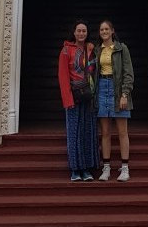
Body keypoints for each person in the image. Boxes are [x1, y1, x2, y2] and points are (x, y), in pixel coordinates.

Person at [57, 19, 99, 181]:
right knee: (74, 133)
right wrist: (67, 99)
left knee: (88, 132)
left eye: (84, 31)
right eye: (79, 30)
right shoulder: (66, 51)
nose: (81, 33)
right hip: (74, 95)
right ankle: (75, 169)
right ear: (74, 32)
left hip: (89, 96)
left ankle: (87, 168)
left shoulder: (91, 49)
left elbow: (95, 73)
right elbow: (63, 76)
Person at [96, 19, 134, 182]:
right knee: (105, 132)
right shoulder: (98, 50)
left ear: (112, 31)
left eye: (106, 29)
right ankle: (106, 168)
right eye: (101, 29)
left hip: (118, 89)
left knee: (122, 131)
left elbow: (128, 72)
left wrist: (124, 94)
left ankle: (124, 168)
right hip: (102, 87)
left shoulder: (121, 48)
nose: (104, 32)